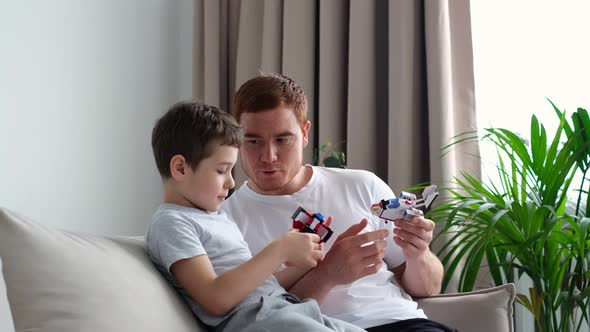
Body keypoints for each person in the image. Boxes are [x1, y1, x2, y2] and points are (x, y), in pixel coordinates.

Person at [222, 74, 455, 332]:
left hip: (404, 324)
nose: (268, 156)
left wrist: (418, 254)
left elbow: (430, 288)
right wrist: (327, 274)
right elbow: (259, 322)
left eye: (282, 139)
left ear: (305, 133)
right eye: (253, 141)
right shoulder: (224, 221)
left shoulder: (362, 185)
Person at [146, 101, 366, 332]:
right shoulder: (171, 223)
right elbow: (216, 298)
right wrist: (278, 250)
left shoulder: (216, 218)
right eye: (222, 170)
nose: (231, 182)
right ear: (180, 168)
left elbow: (256, 289)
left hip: (287, 310)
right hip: (263, 323)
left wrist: (302, 264)